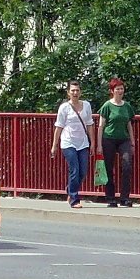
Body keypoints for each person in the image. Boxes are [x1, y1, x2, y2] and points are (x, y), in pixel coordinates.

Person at [51, 80, 96, 208]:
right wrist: (54, 145)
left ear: (80, 92)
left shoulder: (86, 105)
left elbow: (90, 125)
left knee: (83, 171)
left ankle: (70, 189)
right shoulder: (64, 107)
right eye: (72, 91)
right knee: (74, 169)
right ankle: (74, 199)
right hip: (68, 142)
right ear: (68, 93)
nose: (75, 93)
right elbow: (59, 127)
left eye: (77, 90)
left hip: (83, 142)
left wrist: (93, 143)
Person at [97, 77, 136, 207]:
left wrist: (132, 142)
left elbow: (129, 124)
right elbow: (101, 126)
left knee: (126, 166)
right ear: (112, 91)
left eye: (121, 88)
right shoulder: (107, 106)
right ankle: (110, 198)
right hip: (109, 138)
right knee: (109, 168)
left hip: (123, 138)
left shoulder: (127, 106)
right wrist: (99, 145)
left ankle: (125, 198)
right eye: (117, 89)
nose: (120, 91)